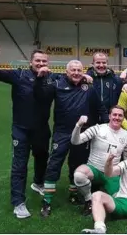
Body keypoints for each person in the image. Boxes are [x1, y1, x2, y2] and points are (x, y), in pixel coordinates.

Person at [34, 60, 108, 217]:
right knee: (54, 164)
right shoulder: (58, 84)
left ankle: (74, 194)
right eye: (73, 70)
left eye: (79, 70)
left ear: (83, 71)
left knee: (77, 164)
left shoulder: (88, 87)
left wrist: (106, 124)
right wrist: (40, 79)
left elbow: (100, 107)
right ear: (66, 72)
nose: (76, 73)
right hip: (62, 132)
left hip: (82, 133)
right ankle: (47, 201)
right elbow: (41, 95)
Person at [0, 45, 55, 218]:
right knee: (20, 165)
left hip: (41, 128)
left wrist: (86, 77)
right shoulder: (18, 75)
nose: (41, 63)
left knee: (42, 157)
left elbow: (72, 79)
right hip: (21, 129)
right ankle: (18, 202)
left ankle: (38, 183)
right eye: (37, 60)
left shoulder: (52, 77)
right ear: (31, 62)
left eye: (44, 61)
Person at [71, 106, 127, 216]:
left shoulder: (126, 135)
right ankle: (89, 201)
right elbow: (75, 141)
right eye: (114, 115)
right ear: (109, 116)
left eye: (120, 115)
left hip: (112, 173)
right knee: (79, 175)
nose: (117, 117)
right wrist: (78, 125)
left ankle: (104, 194)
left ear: (123, 118)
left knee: (119, 198)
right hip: (94, 169)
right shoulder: (98, 128)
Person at [85, 52, 124, 122]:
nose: (101, 65)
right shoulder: (85, 79)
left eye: (104, 62)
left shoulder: (116, 80)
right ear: (92, 64)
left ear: (107, 64)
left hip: (109, 119)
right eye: (98, 62)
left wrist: (126, 84)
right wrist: (82, 76)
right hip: (90, 119)